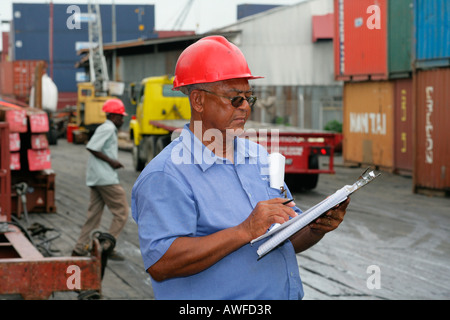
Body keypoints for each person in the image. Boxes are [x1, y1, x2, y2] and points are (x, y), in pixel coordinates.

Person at [131, 36, 350, 299]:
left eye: (249, 98)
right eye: (235, 99)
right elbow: (161, 263)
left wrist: (315, 227)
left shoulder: (258, 158)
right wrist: (244, 231)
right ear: (198, 100)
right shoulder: (167, 175)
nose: (245, 108)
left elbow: (285, 239)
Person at [72, 98, 129, 261]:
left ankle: (79, 249)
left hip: (96, 178)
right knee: (122, 212)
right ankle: (107, 247)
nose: (122, 120)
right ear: (113, 116)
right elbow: (92, 146)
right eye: (120, 116)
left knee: (93, 216)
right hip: (106, 179)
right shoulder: (108, 128)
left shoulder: (107, 128)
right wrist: (112, 162)